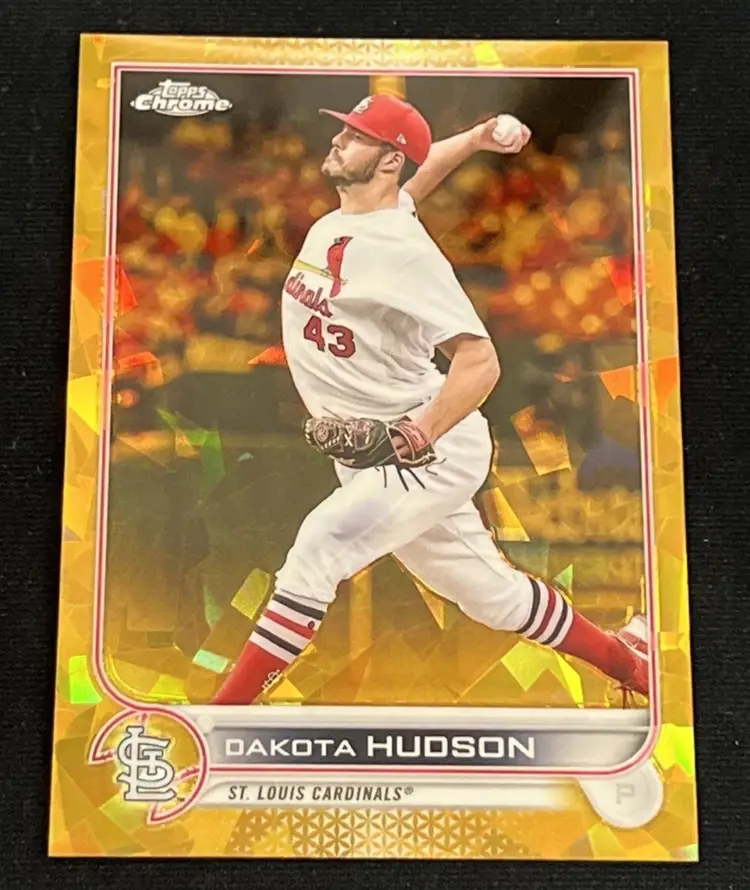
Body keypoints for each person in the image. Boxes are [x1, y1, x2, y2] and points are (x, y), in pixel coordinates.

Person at [212, 94, 648, 706]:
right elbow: (416, 180)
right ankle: (629, 662)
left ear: (388, 160)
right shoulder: (352, 219)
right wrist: (475, 138)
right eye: (344, 130)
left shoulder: (407, 253)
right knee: (491, 597)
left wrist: (413, 436)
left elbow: (481, 361)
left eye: (355, 136)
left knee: (321, 543)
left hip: (426, 446)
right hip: (378, 450)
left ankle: (216, 720)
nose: (337, 141)